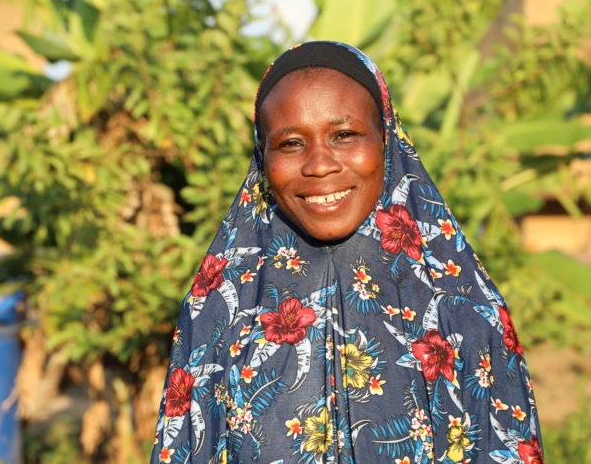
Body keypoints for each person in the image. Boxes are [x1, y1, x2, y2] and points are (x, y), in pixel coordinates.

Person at [150, 41, 543, 463]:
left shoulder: (463, 311)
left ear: (387, 139)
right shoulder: (218, 310)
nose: (319, 164)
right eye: (291, 143)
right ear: (262, 155)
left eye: (344, 135)